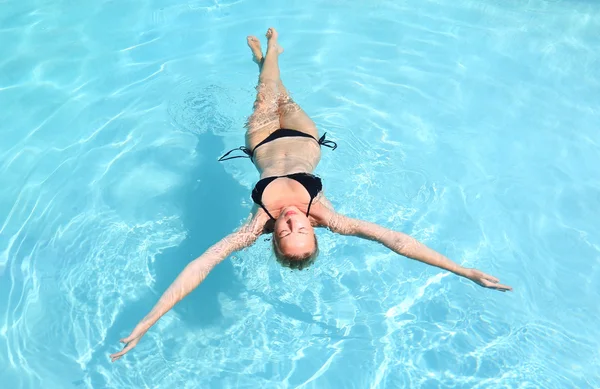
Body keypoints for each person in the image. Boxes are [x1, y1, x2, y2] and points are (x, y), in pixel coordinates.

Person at [110, 28, 512, 362]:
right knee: (283, 94)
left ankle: (269, 56)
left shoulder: (254, 227)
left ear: (275, 239)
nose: (289, 220)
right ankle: (268, 58)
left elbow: (201, 265)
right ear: (314, 229)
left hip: (261, 139)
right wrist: (465, 271)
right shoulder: (331, 217)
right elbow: (398, 242)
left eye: (285, 233)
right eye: (300, 228)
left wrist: (148, 320)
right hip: (305, 138)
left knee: (267, 92)